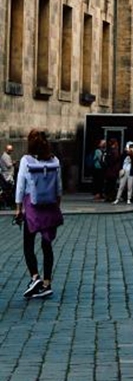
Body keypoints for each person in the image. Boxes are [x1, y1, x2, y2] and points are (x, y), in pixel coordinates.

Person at [15, 128, 63, 300]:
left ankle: (35, 277)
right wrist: (57, 206)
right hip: (50, 206)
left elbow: (20, 186)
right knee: (47, 246)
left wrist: (18, 208)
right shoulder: (54, 160)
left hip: (32, 206)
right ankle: (47, 283)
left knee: (28, 244)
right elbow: (59, 187)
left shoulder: (26, 160)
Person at [0, 143, 14, 208]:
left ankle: (8, 203)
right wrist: (13, 163)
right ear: (7, 150)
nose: (11, 151)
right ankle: (8, 204)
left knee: (9, 190)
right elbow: (9, 165)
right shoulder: (5, 156)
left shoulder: (6, 156)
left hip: (8, 175)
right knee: (8, 190)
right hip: (7, 176)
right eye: (10, 150)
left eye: (11, 150)